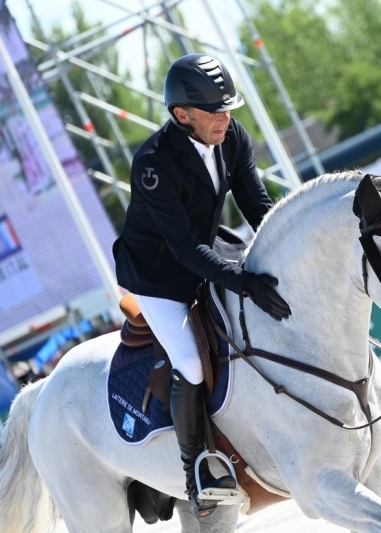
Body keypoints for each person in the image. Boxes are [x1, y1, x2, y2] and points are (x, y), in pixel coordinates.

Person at [112, 53, 292, 517]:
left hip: (206, 254)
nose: (225, 119)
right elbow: (184, 247)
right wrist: (245, 282)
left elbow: (257, 204)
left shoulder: (231, 136)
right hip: (158, 275)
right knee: (191, 362)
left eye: (228, 108)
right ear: (182, 115)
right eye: (215, 111)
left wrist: (285, 254)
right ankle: (197, 471)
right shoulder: (153, 164)